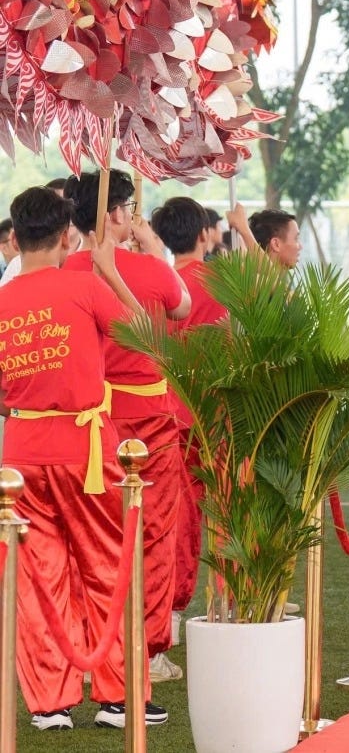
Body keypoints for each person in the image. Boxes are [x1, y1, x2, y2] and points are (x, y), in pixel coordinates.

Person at [1, 185, 167, 729]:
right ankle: (118, 698)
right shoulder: (82, 287)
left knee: (37, 578)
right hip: (85, 453)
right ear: (66, 234)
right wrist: (110, 270)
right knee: (106, 567)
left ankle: (50, 703)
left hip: (21, 456)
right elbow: (146, 336)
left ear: (16, 236)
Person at [63, 171, 192, 686]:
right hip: (148, 424)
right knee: (154, 537)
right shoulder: (147, 269)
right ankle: (148, 647)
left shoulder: (62, 270)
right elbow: (181, 308)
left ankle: (91, 647)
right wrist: (149, 247)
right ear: (116, 214)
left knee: (93, 539)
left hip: (90, 423)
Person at [149, 197, 231, 653]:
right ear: (204, 234)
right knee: (213, 509)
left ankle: (171, 614)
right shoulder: (219, 282)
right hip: (211, 414)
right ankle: (221, 602)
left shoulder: (160, 283)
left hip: (167, 411)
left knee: (173, 515)